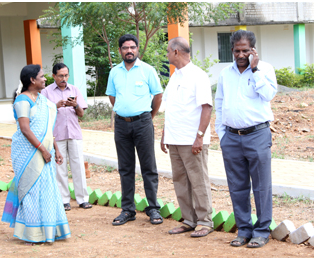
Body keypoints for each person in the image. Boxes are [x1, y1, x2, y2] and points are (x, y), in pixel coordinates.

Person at [215, 30, 277, 248]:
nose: (241, 54)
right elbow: (220, 104)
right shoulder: (225, 73)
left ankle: (261, 231)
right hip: (231, 137)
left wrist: (255, 70)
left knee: (261, 186)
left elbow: (269, 95)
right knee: (237, 187)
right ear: (232, 50)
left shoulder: (265, 69)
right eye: (237, 50)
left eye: (245, 50)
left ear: (253, 50)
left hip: (258, 135)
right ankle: (243, 230)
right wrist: (221, 134)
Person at [2, 64, 71, 244]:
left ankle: (49, 230)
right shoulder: (22, 101)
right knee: (32, 191)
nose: (45, 79)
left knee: (47, 191)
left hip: (45, 151)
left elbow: (47, 129)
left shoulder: (43, 101)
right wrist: (43, 150)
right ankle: (33, 233)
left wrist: (54, 149)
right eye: (41, 76)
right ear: (32, 80)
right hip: (27, 153)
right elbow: (25, 129)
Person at [106, 34, 164, 226]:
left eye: (132, 47)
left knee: (149, 167)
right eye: (125, 47)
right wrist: (124, 112)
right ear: (120, 50)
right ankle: (128, 210)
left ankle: (153, 208)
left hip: (143, 123)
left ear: (137, 49)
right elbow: (113, 98)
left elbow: (157, 96)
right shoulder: (114, 72)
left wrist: (148, 116)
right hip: (122, 125)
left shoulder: (147, 70)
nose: (129, 50)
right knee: (125, 168)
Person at [160, 37, 214, 237]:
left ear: (176, 52)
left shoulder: (198, 76)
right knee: (180, 181)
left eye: (167, 51)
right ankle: (189, 220)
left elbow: (207, 108)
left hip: (192, 140)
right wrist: (165, 134)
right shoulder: (175, 76)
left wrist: (199, 137)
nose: (166, 55)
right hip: (174, 139)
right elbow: (172, 107)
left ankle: (204, 221)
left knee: (198, 180)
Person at [41, 63, 92, 211]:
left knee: (78, 167)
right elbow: (43, 114)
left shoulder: (74, 89)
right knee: (60, 168)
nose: (64, 78)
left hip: (74, 134)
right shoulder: (46, 92)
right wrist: (55, 106)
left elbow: (82, 114)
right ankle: (64, 200)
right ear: (54, 76)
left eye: (66, 75)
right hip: (57, 136)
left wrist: (76, 105)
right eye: (61, 76)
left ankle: (83, 199)